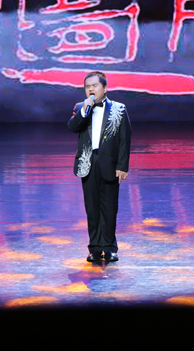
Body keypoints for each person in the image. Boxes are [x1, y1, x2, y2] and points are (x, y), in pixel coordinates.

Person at [67, 71, 131, 263]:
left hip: (109, 163)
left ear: (105, 88)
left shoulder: (119, 109)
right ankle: (94, 248)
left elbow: (125, 139)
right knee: (92, 208)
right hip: (88, 162)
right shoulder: (81, 107)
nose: (91, 89)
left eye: (94, 85)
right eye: (87, 86)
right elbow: (73, 127)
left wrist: (122, 166)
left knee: (109, 207)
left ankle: (109, 248)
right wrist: (85, 110)